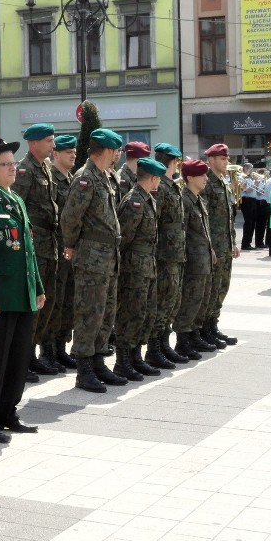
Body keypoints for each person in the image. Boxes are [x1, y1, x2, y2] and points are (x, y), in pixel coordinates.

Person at [0, 138, 44, 443]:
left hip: (22, 293)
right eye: (5, 164)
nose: (13, 168)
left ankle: (7, 412)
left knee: (17, 358)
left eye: (13, 163)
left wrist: (37, 286)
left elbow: (27, 249)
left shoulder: (16, 200)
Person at [60, 128, 126, 393]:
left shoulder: (105, 177)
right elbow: (70, 218)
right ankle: (84, 369)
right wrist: (73, 245)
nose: (117, 156)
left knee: (106, 311)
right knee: (89, 311)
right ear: (107, 151)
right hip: (91, 256)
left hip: (108, 256)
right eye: (116, 151)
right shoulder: (85, 178)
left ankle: (98, 362)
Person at [11, 123, 60, 379]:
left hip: (48, 244)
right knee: (32, 304)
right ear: (34, 143)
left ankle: (32, 355)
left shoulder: (45, 168)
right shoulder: (24, 169)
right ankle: (21, 360)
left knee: (45, 304)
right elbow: (17, 208)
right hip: (34, 246)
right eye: (49, 141)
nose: (54, 145)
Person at [114, 157, 168, 381]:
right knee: (130, 313)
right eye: (159, 178)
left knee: (144, 313)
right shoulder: (134, 201)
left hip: (147, 264)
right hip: (134, 267)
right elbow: (123, 238)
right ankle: (122, 361)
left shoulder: (147, 199)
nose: (159, 182)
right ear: (154, 178)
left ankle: (135, 357)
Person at [145, 142, 188, 368]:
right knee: (161, 302)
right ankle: (154, 349)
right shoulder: (160, 187)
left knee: (171, 301)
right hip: (163, 255)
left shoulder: (171, 185)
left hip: (174, 254)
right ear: (171, 161)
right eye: (176, 161)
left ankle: (163, 344)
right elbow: (155, 222)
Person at [172, 159, 216, 360]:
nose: (206, 178)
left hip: (203, 259)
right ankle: (183, 341)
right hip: (192, 261)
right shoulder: (185, 200)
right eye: (202, 175)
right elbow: (183, 233)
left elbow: (202, 232)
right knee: (189, 300)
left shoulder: (198, 199)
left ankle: (194, 335)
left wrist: (210, 250)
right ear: (190, 177)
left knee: (201, 299)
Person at [200, 144, 239, 347]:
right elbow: (203, 217)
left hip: (225, 245)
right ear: (212, 160)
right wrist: (209, 246)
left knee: (222, 288)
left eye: (227, 158)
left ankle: (213, 326)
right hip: (214, 247)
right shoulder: (206, 182)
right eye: (223, 159)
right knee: (211, 289)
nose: (226, 162)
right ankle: (205, 330)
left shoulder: (223, 182)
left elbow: (228, 217)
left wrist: (233, 241)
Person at [48, 135, 77, 371]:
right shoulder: (51, 179)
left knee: (67, 301)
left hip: (68, 249)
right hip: (53, 248)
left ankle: (61, 347)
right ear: (55, 154)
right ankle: (47, 350)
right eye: (68, 152)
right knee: (53, 301)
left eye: (74, 152)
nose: (73, 155)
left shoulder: (71, 180)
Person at [239, 163, 259, 250]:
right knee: (248, 222)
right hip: (246, 200)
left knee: (253, 222)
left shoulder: (250, 178)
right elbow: (246, 190)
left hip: (253, 200)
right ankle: (245, 244)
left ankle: (249, 243)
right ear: (246, 168)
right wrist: (256, 184)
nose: (252, 171)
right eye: (251, 169)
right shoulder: (241, 178)